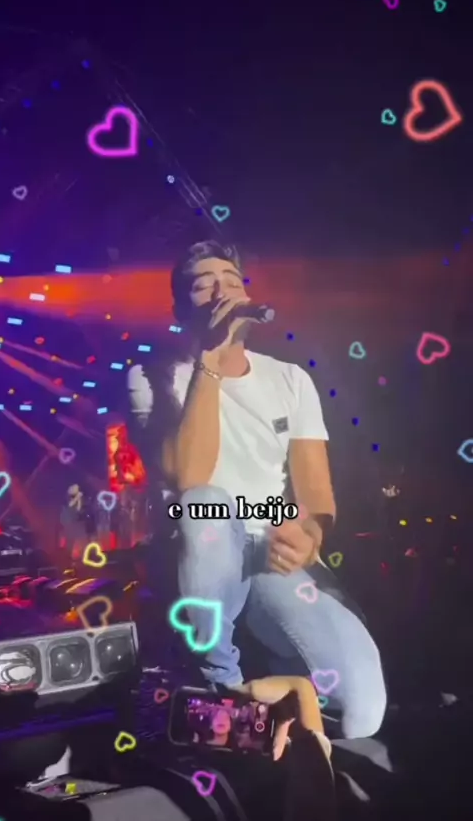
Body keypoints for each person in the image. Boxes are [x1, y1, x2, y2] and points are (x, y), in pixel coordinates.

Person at [127, 240, 387, 740]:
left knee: (362, 710)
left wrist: (310, 534)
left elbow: (317, 496)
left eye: (231, 281)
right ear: (181, 310)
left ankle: (278, 693)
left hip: (268, 541)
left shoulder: (290, 379)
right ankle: (219, 684)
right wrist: (210, 359)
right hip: (204, 542)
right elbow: (189, 476)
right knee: (206, 502)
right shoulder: (150, 376)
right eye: (204, 286)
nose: (222, 291)